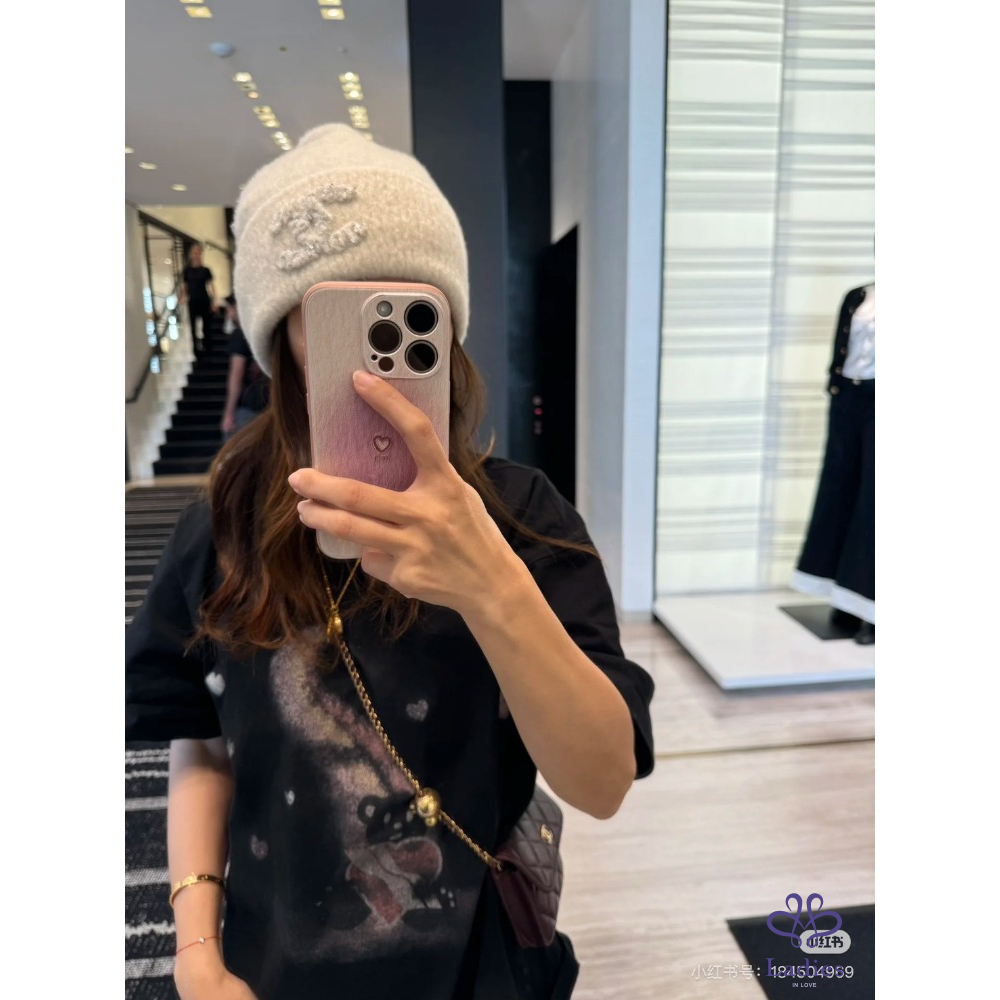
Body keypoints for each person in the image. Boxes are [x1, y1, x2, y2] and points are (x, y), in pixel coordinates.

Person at [125, 123, 656, 1000]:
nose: (377, 353)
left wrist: (492, 585)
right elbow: (205, 745)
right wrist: (194, 950)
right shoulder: (219, 530)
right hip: (270, 969)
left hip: (480, 972)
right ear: (283, 336)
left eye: (409, 311)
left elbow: (600, 784)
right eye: (342, 315)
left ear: (448, 328)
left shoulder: (520, 519)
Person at [790, 280, 875, 644]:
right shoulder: (860, 295)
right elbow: (843, 347)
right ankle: (843, 597)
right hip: (849, 397)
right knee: (838, 490)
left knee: (874, 500)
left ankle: (874, 608)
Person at [221, 295, 270, 440]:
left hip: (250, 407)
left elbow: (236, 373)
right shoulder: (265, 331)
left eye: (230, 309)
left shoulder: (240, 334)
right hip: (271, 406)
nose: (229, 315)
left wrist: (229, 412)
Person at [180, 243, 216, 355]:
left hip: (204, 299)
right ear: (191, 255)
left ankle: (207, 347)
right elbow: (185, 286)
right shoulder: (187, 271)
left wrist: (214, 301)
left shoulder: (205, 270)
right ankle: (195, 350)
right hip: (193, 300)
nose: (196, 255)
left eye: (198, 253)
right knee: (193, 326)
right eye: (194, 253)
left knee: (206, 325)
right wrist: (183, 297)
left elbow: (211, 285)